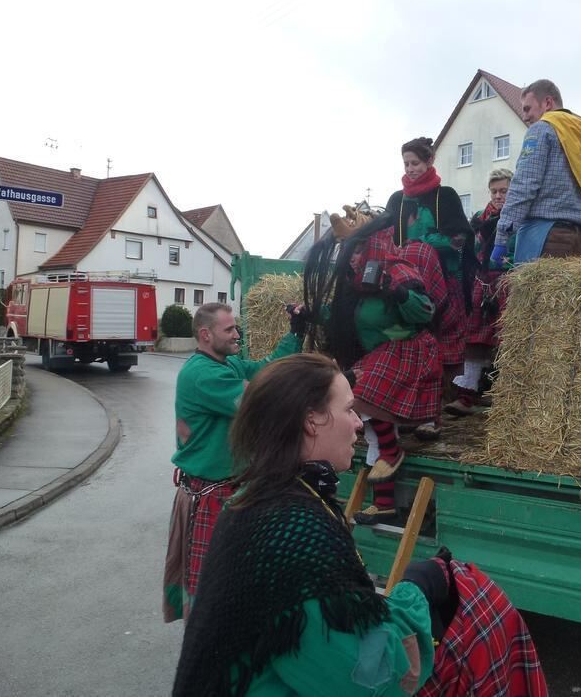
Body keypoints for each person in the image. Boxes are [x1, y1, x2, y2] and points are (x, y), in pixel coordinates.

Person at [173, 353, 455, 696]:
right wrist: (419, 590)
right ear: (312, 420)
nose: (357, 423)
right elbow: (366, 676)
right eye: (349, 409)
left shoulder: (258, 496)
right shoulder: (292, 529)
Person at [163, 302, 306, 622]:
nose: (237, 334)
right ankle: (206, 660)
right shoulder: (202, 374)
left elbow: (267, 370)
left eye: (236, 327)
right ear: (204, 334)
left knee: (233, 588)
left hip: (228, 491)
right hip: (211, 496)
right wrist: (325, 387)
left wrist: (294, 334)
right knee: (212, 597)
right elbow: (260, 400)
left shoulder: (228, 365)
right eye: (229, 329)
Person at [303, 213, 446, 525]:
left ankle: (390, 461)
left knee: (360, 395)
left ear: (370, 245)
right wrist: (311, 314)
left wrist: (397, 292)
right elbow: (345, 318)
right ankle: (384, 500)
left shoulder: (398, 271)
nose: (351, 258)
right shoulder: (356, 281)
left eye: (355, 250)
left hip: (408, 351)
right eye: (348, 252)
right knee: (368, 423)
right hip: (381, 354)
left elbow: (425, 311)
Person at [385, 136, 477, 440]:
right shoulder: (397, 200)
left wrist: (421, 245)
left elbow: (458, 240)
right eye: (406, 164)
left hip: (441, 281)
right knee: (407, 344)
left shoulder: (445, 196)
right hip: (406, 282)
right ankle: (409, 410)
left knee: (437, 348)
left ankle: (432, 414)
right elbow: (386, 237)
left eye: (416, 163)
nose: (410, 169)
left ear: (429, 162)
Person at [491, 79, 581, 265]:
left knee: (536, 295)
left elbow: (524, 186)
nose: (525, 117)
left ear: (547, 103)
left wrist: (502, 237)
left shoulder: (542, 130)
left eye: (528, 109)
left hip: (545, 241)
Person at [447, 168, 514, 416]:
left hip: (509, 280)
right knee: (475, 338)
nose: (498, 196)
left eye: (504, 191)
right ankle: (466, 395)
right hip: (482, 282)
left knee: (507, 340)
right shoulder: (479, 217)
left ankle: (504, 395)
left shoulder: (520, 216)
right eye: (494, 191)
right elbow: (469, 251)